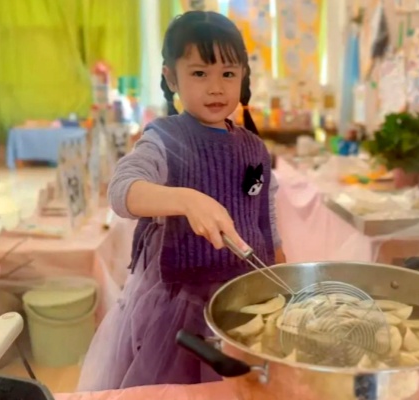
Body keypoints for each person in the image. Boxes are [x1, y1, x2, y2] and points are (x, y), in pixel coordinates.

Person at [77, 11, 285, 391]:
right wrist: (186, 200)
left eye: (228, 73)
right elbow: (122, 190)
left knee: (243, 388)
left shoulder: (254, 147)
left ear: (243, 76)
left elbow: (265, 223)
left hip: (243, 300)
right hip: (181, 312)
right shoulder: (165, 139)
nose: (216, 88)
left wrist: (283, 277)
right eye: (199, 73)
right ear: (172, 77)